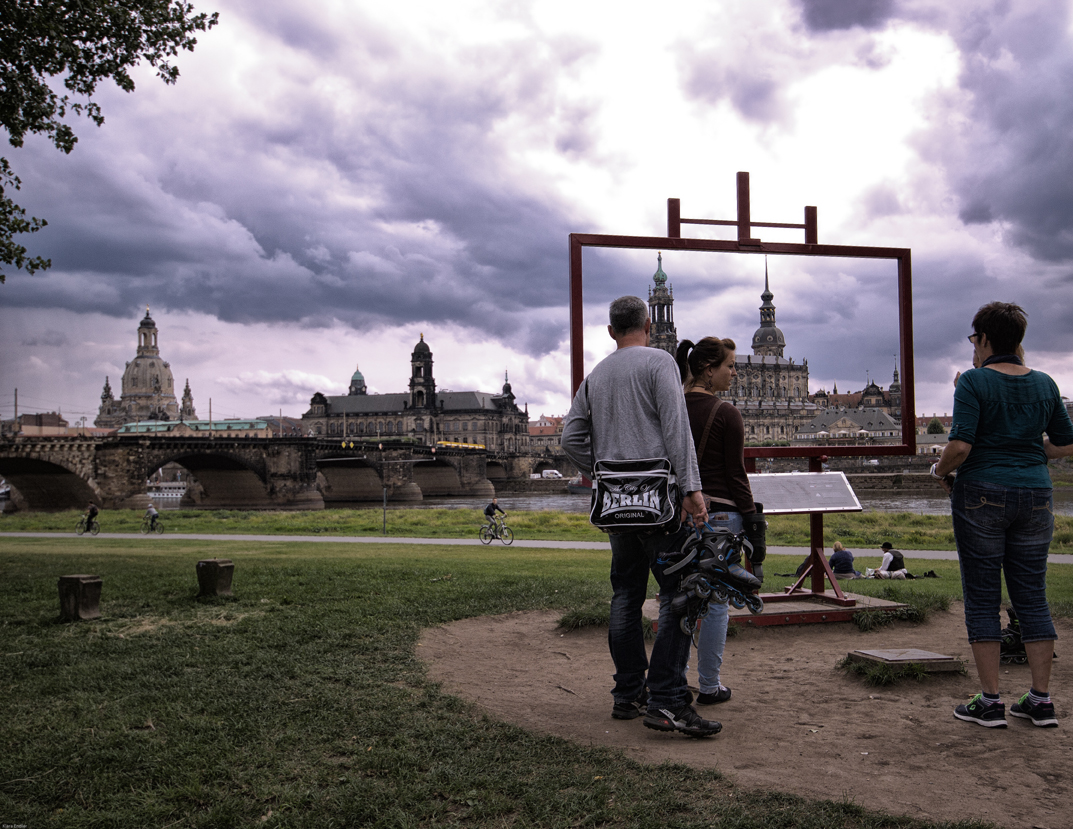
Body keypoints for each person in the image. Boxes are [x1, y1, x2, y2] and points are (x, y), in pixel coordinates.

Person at [562, 295, 720, 737]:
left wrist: (602, 468)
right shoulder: (659, 363)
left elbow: (570, 438)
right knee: (679, 595)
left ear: (611, 331)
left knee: (626, 595)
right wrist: (692, 489)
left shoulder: (596, 375)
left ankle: (628, 693)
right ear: (648, 325)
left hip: (615, 506)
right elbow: (676, 427)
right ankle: (668, 700)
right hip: (660, 504)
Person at [932, 302, 1073, 728]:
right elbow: (1064, 443)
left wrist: (938, 471)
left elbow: (960, 447)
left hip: (982, 496)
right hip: (1036, 495)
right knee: (1032, 595)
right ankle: (1040, 699)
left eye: (975, 340)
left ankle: (990, 700)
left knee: (982, 597)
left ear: (986, 339)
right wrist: (1031, 449)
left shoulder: (973, 382)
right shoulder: (1046, 383)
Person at [675, 336, 761, 706]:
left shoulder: (672, 407)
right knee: (715, 603)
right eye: (729, 366)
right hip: (723, 517)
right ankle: (709, 686)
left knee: (678, 599)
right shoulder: (727, 413)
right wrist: (754, 521)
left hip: (678, 515)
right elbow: (736, 475)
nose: (734, 372)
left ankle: (672, 682)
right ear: (709, 371)